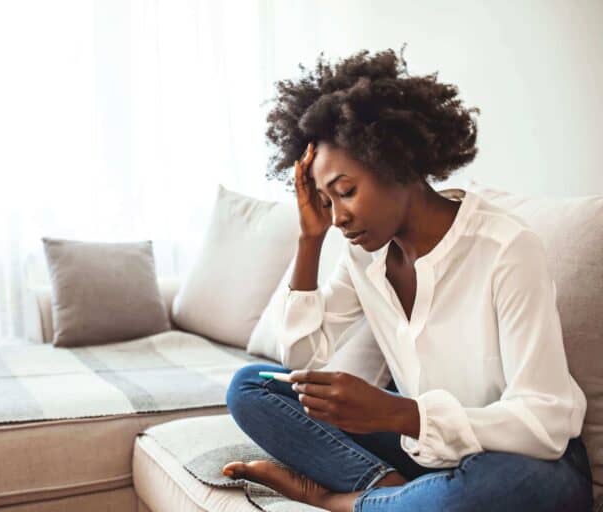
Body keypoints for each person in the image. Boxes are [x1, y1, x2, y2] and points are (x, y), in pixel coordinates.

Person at [222, 46, 593, 512]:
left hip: (522, 459)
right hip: (423, 448)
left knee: (497, 485)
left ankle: (343, 501)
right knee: (252, 386)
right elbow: (302, 361)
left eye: (346, 192)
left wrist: (399, 412)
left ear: (397, 161)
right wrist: (309, 241)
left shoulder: (506, 249)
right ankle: (392, 493)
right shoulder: (364, 256)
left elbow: (546, 421)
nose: (338, 217)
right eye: (325, 201)